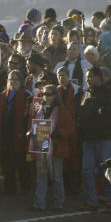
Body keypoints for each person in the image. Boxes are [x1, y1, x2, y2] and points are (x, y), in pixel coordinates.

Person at [77, 66, 111, 211]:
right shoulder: (85, 94)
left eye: (91, 76)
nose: (88, 79)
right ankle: (92, 200)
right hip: (89, 138)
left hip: (106, 138)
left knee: (108, 170)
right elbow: (82, 114)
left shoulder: (109, 93)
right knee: (87, 170)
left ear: (99, 77)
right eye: (87, 77)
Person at [28, 83, 75, 211]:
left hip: (55, 147)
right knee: (41, 175)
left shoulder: (62, 110)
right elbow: (35, 125)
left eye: (48, 94)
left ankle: (58, 202)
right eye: (43, 94)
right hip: (41, 146)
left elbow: (71, 127)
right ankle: (39, 203)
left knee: (56, 176)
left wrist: (60, 133)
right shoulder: (40, 109)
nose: (45, 97)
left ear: (55, 95)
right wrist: (31, 131)